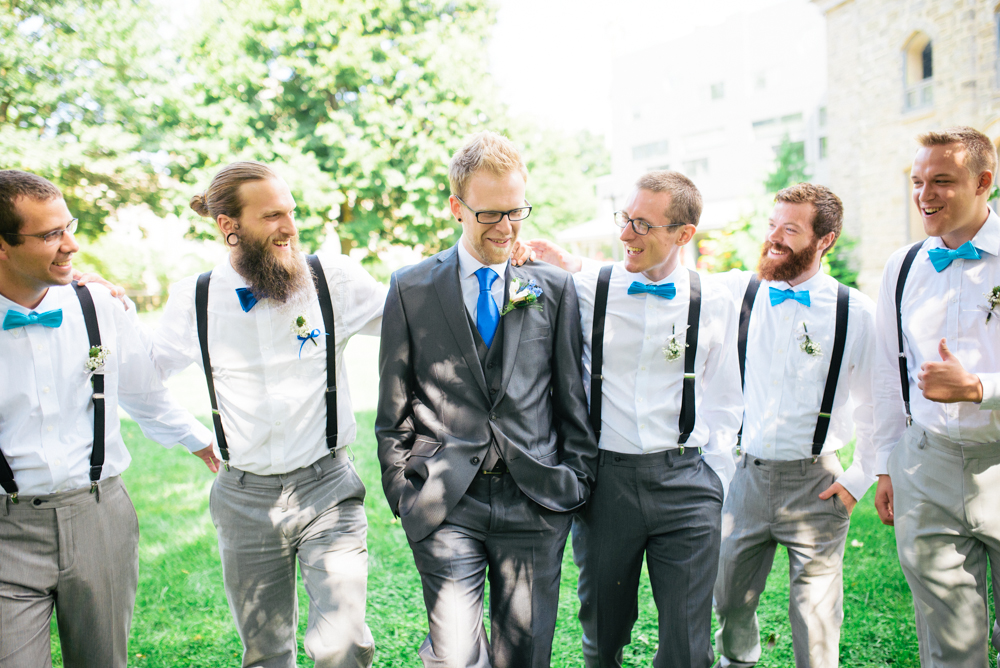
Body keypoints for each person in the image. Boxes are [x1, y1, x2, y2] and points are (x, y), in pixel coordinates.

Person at [375, 131, 598, 668]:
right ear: (457, 207)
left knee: (526, 655)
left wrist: (575, 478)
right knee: (454, 655)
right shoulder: (411, 288)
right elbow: (393, 407)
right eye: (489, 215)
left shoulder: (553, 289)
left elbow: (573, 397)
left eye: (516, 212)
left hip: (536, 501)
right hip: (447, 499)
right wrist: (404, 490)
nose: (505, 228)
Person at [150, 162, 382, 668]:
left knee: (344, 644)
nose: (290, 227)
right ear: (228, 226)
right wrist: (188, 434)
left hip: (328, 488)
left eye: (292, 213)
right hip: (243, 499)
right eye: (273, 215)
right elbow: (143, 377)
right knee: (265, 652)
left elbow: (416, 316)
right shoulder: (194, 298)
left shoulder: (333, 280)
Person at [0, 169, 217, 667]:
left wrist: (200, 441)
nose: (71, 245)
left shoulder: (96, 302)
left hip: (100, 515)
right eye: (51, 234)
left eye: (68, 226)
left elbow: (142, 389)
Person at [528, 170, 743, 668]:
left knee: (688, 648)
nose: (625, 234)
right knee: (603, 633)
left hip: (688, 484)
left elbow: (726, 397)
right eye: (625, 219)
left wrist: (715, 478)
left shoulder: (715, 299)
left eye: (642, 224)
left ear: (683, 234)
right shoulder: (586, 290)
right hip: (607, 483)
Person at [710, 183, 877, 668]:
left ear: (824, 240)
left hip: (817, 483)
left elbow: (876, 407)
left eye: (790, 229)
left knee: (816, 615)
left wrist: (857, 480)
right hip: (747, 478)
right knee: (730, 598)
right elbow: (672, 279)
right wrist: (569, 265)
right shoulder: (742, 291)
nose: (774, 238)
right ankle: (737, 661)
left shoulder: (856, 313)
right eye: (771, 225)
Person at [873, 127, 1000, 667]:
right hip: (927, 468)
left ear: (984, 183)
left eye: (943, 181)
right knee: (949, 646)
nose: (926, 194)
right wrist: (885, 466)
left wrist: (978, 388)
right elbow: (884, 373)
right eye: (919, 181)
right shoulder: (903, 268)